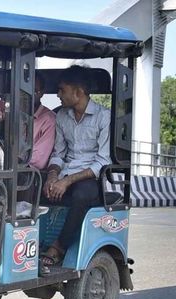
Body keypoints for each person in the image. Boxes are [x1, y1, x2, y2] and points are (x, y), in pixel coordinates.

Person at [41, 65, 111, 267]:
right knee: (34, 190)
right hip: (65, 174)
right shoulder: (62, 116)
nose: (58, 94)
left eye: (62, 90)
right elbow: (58, 153)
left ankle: (59, 246)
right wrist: (52, 177)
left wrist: (67, 181)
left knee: (81, 195)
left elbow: (102, 161)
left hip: (91, 178)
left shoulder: (103, 117)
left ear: (78, 92)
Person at [30, 72, 56, 170]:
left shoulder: (49, 120)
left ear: (41, 93)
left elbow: (38, 161)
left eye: (34, 90)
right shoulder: (13, 112)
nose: (28, 95)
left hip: (32, 175)